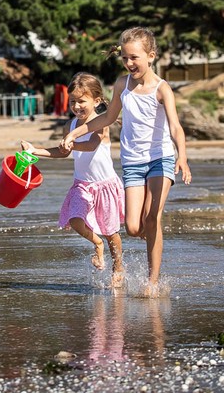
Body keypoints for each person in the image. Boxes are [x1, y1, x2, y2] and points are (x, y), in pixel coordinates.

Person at [60, 27, 192, 296]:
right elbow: (107, 118)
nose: (130, 63)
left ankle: (152, 281)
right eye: (125, 58)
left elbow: (176, 127)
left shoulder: (162, 89)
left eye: (135, 58)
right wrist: (75, 132)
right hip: (132, 162)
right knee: (133, 227)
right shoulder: (122, 84)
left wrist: (183, 157)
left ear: (151, 56)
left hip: (161, 158)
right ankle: (148, 238)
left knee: (153, 217)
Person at [20, 72, 126, 288]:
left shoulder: (101, 122)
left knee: (110, 232)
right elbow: (62, 152)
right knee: (75, 219)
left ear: (96, 101)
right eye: (73, 101)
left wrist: (71, 143)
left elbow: (91, 145)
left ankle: (118, 267)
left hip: (104, 185)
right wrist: (35, 150)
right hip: (82, 185)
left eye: (82, 101)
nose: (77, 106)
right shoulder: (69, 126)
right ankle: (97, 244)